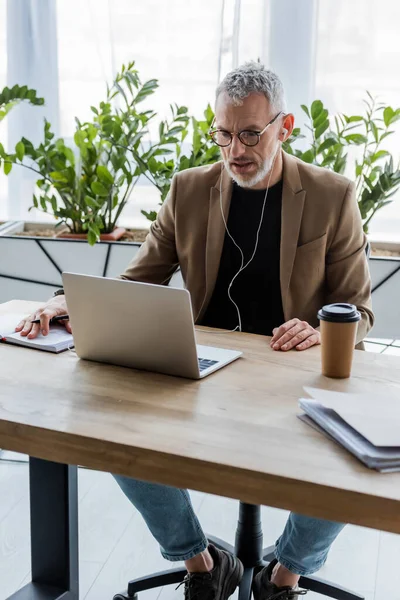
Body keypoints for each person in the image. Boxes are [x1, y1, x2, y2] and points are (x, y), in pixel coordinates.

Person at [16, 62, 374, 600]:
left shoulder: (331, 195)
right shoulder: (188, 190)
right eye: (224, 134)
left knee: (358, 455)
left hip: (292, 380)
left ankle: (286, 574)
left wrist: (321, 329)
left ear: (286, 127)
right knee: (108, 428)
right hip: (202, 372)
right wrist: (62, 302)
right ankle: (202, 562)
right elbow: (138, 280)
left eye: (251, 133)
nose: (236, 150)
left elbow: (360, 312)